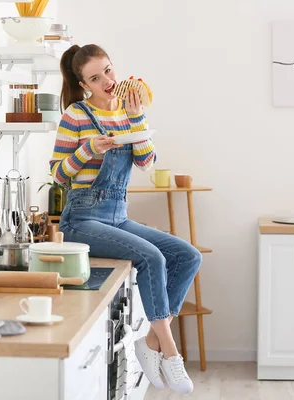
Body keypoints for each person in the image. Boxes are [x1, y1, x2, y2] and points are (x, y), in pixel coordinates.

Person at [49, 44, 201, 394]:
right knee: (152, 257)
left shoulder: (131, 111)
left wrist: (136, 119)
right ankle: (170, 352)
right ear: (84, 83)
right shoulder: (76, 115)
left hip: (118, 215)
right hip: (82, 218)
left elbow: (147, 164)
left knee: (187, 256)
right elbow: (58, 174)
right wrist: (89, 150)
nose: (107, 80)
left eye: (108, 70)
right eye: (95, 77)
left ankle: (149, 343)